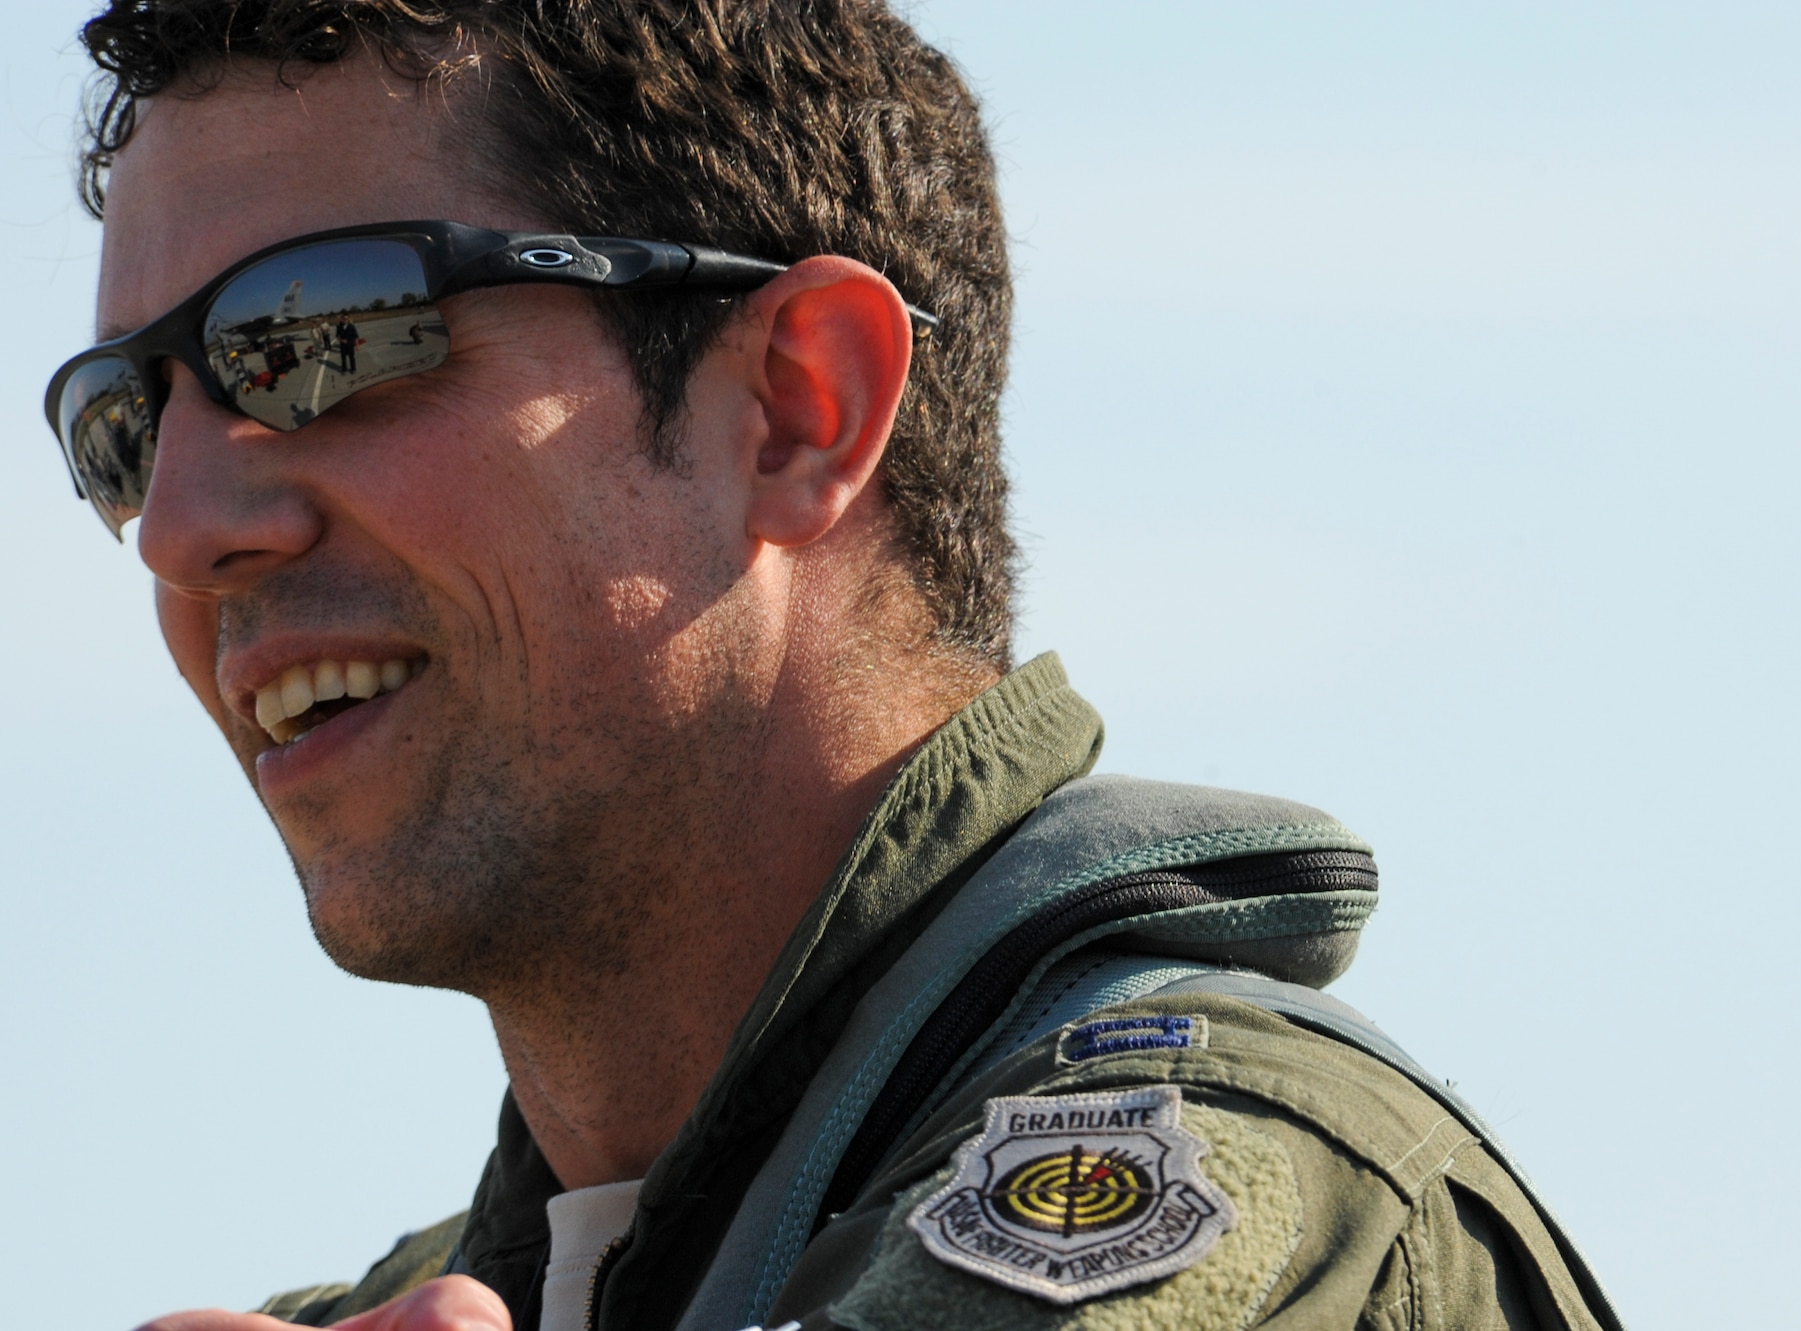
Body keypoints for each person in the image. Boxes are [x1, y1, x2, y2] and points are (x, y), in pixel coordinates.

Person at [52, 3, 1624, 1330]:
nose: (177, 529)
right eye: (121, 423)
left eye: (325, 333)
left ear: (800, 405)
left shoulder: (1249, 1227)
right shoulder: (423, 1303)